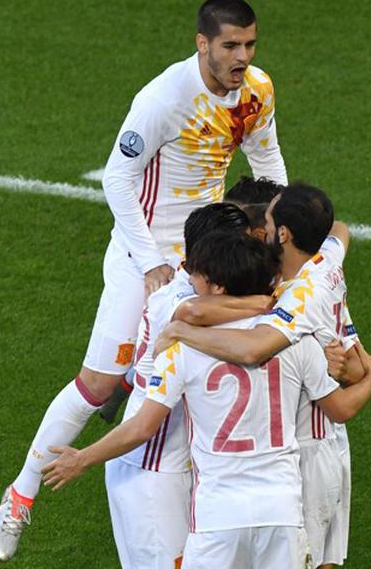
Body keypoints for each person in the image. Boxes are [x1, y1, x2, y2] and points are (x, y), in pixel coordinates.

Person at [0, 0, 288, 561]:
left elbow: (267, 165)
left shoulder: (258, 91)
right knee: (96, 384)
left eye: (249, 44)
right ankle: (22, 494)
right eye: (230, 45)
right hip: (143, 256)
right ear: (203, 44)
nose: (242, 56)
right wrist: (151, 259)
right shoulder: (164, 99)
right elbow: (116, 178)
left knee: (225, 363)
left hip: (210, 252)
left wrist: (282, 242)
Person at [42, 232, 371, 569]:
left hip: (218, 514)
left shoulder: (182, 346)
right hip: (280, 506)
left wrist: (83, 457)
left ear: (217, 286)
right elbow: (340, 408)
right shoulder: (293, 339)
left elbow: (143, 426)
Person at [157, 184, 362, 569]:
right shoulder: (326, 265)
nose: (259, 229)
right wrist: (364, 372)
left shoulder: (294, 302)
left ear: (284, 233)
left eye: (267, 224)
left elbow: (250, 350)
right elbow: (339, 229)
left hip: (300, 453)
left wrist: (182, 331)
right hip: (325, 446)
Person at [109, 203, 271, 569]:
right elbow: (197, 312)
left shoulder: (192, 290)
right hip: (152, 464)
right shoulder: (175, 301)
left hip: (172, 462)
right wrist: (268, 301)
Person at [99, 174, 283, 424]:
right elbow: (192, 312)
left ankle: (127, 383)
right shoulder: (172, 292)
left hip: (191, 446)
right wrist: (263, 303)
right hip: (154, 453)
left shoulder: (213, 281)